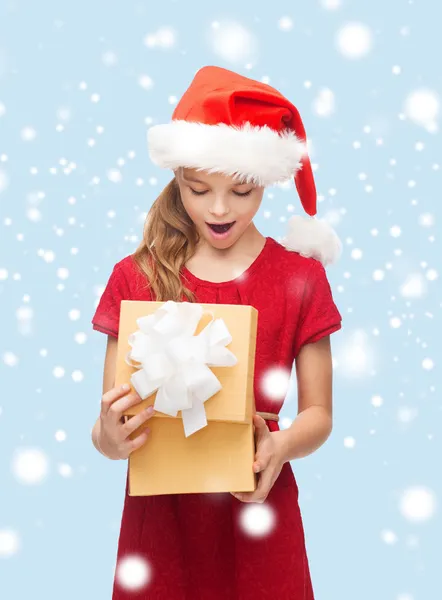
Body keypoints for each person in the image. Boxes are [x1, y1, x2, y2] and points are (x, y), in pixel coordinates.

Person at [91, 65, 343, 599]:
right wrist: (109, 439)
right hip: (161, 524)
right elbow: (109, 423)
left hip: (259, 509)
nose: (221, 208)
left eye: (243, 191)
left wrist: (281, 446)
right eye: (199, 189)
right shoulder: (135, 276)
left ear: (267, 182)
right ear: (178, 176)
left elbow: (319, 414)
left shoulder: (300, 279)